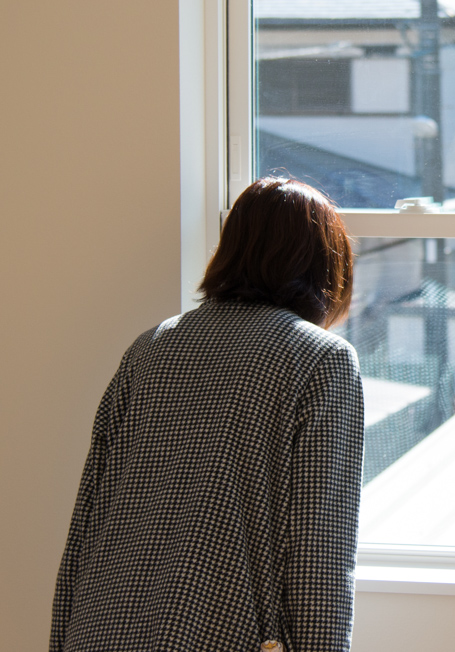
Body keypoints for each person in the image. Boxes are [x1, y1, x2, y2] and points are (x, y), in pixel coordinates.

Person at [50, 177, 363, 652]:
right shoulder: (321, 360)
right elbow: (318, 554)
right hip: (219, 634)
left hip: (98, 627)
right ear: (324, 263)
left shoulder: (149, 348)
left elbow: (89, 520)